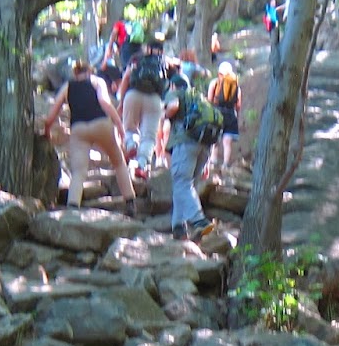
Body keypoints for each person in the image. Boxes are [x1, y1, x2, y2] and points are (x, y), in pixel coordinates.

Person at [42, 59, 136, 214]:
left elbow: (52, 114)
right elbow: (104, 102)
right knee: (118, 162)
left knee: (79, 171)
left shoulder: (67, 86)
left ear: (75, 74)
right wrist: (119, 125)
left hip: (78, 129)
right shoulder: (97, 81)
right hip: (101, 124)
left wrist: (47, 130)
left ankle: (72, 207)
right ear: (89, 71)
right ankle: (130, 202)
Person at [161, 74, 218, 243]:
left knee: (181, 182)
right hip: (205, 146)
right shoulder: (200, 99)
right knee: (184, 185)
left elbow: (172, 107)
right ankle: (178, 227)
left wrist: (163, 114)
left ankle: (198, 220)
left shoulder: (176, 93)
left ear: (173, 86)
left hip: (186, 143)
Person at [117, 34, 169, 179]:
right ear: (162, 50)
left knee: (130, 128)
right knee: (149, 137)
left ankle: (132, 145)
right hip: (154, 99)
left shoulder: (136, 58)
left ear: (147, 48)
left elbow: (127, 77)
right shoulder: (166, 63)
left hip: (133, 94)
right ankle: (141, 165)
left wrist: (121, 100)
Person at [204, 60, 241, 181]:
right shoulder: (236, 86)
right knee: (227, 141)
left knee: (215, 139)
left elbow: (209, 100)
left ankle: (213, 161)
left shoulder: (214, 83)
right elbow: (238, 104)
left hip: (217, 113)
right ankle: (225, 163)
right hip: (231, 114)